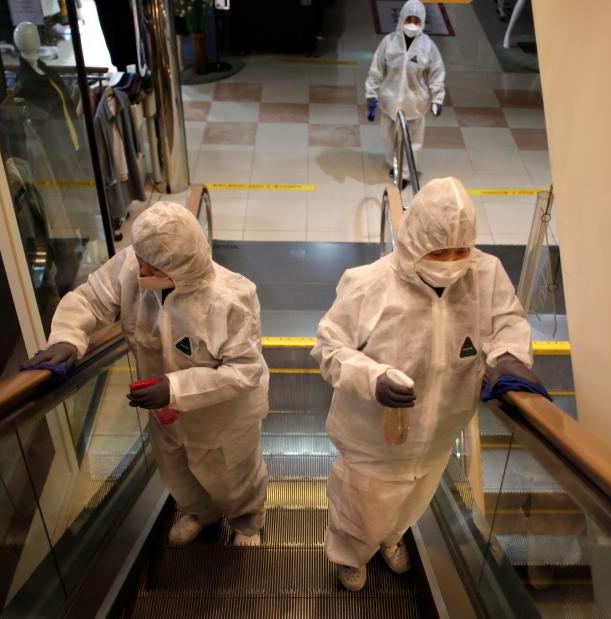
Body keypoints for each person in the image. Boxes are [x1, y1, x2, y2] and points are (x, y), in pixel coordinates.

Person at [312, 177, 544, 591]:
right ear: (415, 241)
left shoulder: (485, 275)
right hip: (373, 442)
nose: (451, 261)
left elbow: (508, 321)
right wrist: (373, 377)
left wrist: (508, 354)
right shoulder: (367, 284)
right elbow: (329, 348)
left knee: (410, 504)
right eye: (440, 251)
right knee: (359, 509)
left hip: (438, 438)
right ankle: (351, 556)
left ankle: (391, 538)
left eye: (461, 250)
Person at [28, 202, 270, 545]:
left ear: (181, 267)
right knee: (177, 471)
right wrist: (69, 337)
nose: (139, 270)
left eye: (150, 267)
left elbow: (245, 371)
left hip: (221, 417)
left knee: (232, 475)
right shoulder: (135, 261)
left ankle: (246, 523)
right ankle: (202, 514)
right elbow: (92, 298)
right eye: (140, 260)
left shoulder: (230, 299)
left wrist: (174, 388)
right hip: (164, 413)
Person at [365, 0, 446, 186]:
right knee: (388, 139)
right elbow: (376, 69)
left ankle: (405, 175)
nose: (412, 24)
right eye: (409, 19)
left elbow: (437, 73)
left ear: (422, 22)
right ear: (401, 18)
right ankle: (394, 165)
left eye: (416, 20)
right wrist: (371, 96)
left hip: (414, 104)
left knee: (412, 144)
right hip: (389, 102)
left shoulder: (428, 47)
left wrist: (437, 99)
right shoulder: (389, 42)